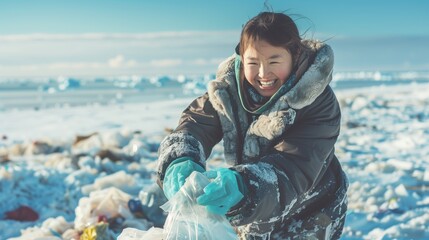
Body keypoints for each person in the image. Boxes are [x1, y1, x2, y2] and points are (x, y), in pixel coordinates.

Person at [157, 11, 348, 239]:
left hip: (311, 211)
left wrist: (244, 186)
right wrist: (179, 159)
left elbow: (294, 167)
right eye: (253, 62)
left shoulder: (319, 103)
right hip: (258, 210)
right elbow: (197, 123)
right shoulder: (227, 90)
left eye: (274, 61)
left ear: (295, 56)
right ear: (241, 59)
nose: (263, 73)